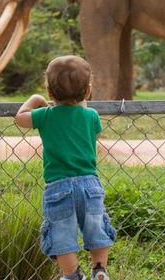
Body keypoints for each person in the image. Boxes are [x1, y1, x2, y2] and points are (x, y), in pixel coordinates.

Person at [15, 55, 116, 280]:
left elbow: (20, 119)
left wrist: (35, 99)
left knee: (62, 233)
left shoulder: (45, 115)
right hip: (89, 184)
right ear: (88, 92)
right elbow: (94, 131)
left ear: (50, 93)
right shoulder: (91, 115)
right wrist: (81, 103)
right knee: (95, 226)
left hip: (58, 186)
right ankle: (99, 269)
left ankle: (71, 275)